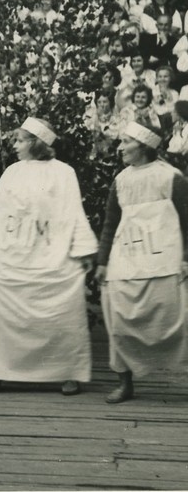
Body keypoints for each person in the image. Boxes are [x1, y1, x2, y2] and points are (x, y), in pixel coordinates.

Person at [0, 117, 98, 396]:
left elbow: (74, 212)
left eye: (20, 140)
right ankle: (0, 370)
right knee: (1, 307)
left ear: (36, 143)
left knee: (62, 308)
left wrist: (84, 250)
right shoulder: (12, 172)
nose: (14, 145)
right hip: (13, 252)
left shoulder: (63, 173)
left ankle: (67, 372)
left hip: (49, 252)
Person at [96, 121, 188, 404]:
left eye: (126, 142)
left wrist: (186, 257)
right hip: (126, 257)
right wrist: (102, 262)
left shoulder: (172, 177)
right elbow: (111, 223)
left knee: (179, 320)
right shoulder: (121, 180)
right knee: (119, 320)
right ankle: (125, 381)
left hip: (166, 260)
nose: (120, 147)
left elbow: (187, 221)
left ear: (144, 146)